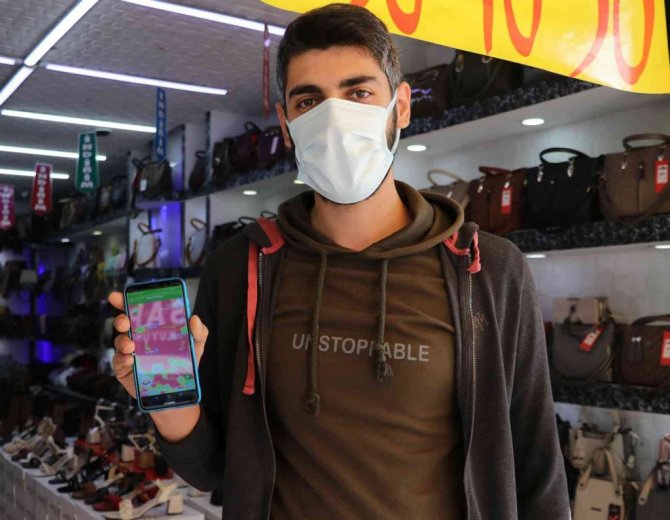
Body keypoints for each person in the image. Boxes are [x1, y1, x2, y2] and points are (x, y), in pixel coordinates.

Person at [108, 4, 570, 519]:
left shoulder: (489, 270)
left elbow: (536, 465)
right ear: (287, 125)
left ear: (400, 106)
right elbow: (216, 469)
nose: (333, 118)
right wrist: (173, 407)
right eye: (309, 101)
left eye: (358, 93)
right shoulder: (240, 267)